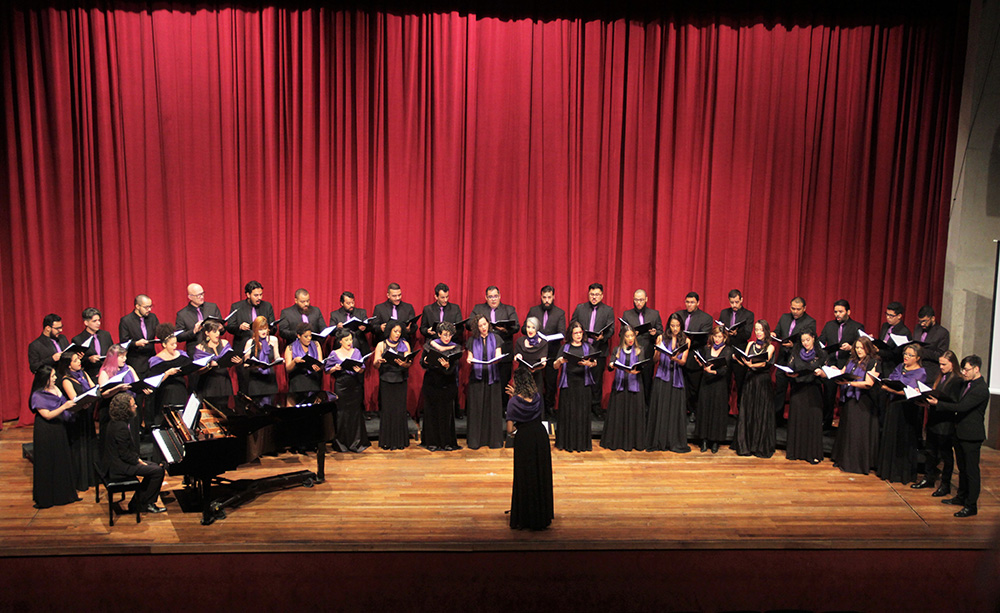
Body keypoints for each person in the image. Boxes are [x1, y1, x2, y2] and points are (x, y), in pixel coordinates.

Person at [926, 355, 988, 518]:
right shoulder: (967, 384)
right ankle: (961, 497)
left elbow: (962, 407)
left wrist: (938, 404)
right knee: (962, 469)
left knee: (971, 471)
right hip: (959, 432)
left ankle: (971, 505)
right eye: (963, 369)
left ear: (976, 369)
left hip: (971, 435)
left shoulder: (981, 389)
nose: (964, 373)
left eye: (966, 370)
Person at [505, 367, 553, 531]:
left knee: (525, 475)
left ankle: (525, 516)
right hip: (540, 436)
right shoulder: (538, 397)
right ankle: (541, 515)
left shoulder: (513, 402)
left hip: (524, 439)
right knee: (540, 473)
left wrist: (518, 427)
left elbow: (510, 430)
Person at [104, 392, 165, 514]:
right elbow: (125, 454)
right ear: (125, 409)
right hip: (119, 466)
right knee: (158, 471)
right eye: (133, 405)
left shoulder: (116, 422)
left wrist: (138, 460)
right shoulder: (120, 427)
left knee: (155, 468)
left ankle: (137, 503)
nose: (136, 406)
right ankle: (145, 504)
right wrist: (138, 461)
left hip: (119, 461)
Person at [912, 350, 963, 495]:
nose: (941, 367)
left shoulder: (957, 380)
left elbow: (955, 403)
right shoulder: (940, 377)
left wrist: (937, 403)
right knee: (930, 451)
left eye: (944, 364)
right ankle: (929, 478)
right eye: (940, 364)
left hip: (945, 422)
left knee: (945, 455)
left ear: (952, 364)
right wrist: (925, 400)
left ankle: (945, 484)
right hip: (934, 419)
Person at [29, 365, 80, 508]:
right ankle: (47, 498)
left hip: (59, 428)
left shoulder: (55, 388)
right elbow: (47, 415)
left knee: (61, 459)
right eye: (52, 376)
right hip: (46, 430)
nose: (55, 378)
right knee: (47, 461)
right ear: (44, 378)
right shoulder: (38, 395)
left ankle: (64, 495)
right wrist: (64, 407)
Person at [876, 343, 927, 484]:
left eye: (910, 355)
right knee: (891, 436)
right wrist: (889, 385)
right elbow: (892, 378)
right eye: (905, 354)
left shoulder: (921, 372)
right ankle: (887, 470)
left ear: (918, 358)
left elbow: (909, 390)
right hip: (893, 406)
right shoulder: (900, 366)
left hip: (907, 409)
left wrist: (891, 389)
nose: (906, 357)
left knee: (903, 439)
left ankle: (900, 473)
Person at [829, 337, 881, 475]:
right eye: (857, 347)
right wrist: (834, 371)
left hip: (863, 401)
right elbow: (843, 373)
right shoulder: (852, 360)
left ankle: (856, 463)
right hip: (849, 399)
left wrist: (848, 383)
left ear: (868, 348)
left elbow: (869, 383)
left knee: (857, 431)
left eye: (862, 348)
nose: (859, 350)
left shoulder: (873, 362)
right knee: (847, 429)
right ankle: (843, 459)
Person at [645, 314, 690, 452]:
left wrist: (674, 358)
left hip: (676, 376)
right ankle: (658, 440)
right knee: (661, 408)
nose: (675, 328)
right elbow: (655, 360)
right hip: (662, 375)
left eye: (677, 326)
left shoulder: (686, 340)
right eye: (672, 325)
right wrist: (657, 351)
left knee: (674, 409)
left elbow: (683, 361)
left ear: (681, 326)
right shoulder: (661, 337)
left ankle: (672, 440)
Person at [732, 320, 776, 458]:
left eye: (761, 330)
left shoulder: (770, 347)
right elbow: (746, 362)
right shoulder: (750, 344)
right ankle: (746, 445)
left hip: (762, 381)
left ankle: (758, 445)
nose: (758, 332)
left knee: (760, 411)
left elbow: (764, 362)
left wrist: (751, 365)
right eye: (756, 330)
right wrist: (738, 359)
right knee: (748, 410)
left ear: (766, 331)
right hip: (750, 380)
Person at [817, 299, 865, 428]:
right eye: (835, 312)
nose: (837, 314)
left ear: (848, 312)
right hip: (832, 365)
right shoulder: (829, 325)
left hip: (848, 365)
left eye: (840, 312)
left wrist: (851, 348)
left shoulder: (856, 327)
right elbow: (821, 341)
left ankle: (846, 424)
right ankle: (826, 423)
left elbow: (863, 346)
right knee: (828, 395)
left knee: (846, 395)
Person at [571, 283, 615, 418]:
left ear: (602, 296)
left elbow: (611, 330)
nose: (594, 297)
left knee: (596, 380)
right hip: (581, 349)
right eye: (592, 294)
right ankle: (580, 406)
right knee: (580, 378)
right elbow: (572, 324)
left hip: (598, 350)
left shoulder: (608, 310)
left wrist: (603, 337)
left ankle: (595, 406)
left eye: (597, 295)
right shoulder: (580, 308)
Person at [552, 321, 597, 452]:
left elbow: (595, 362)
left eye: (580, 333)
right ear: (570, 334)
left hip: (583, 384)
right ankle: (567, 443)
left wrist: (589, 364)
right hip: (568, 384)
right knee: (568, 413)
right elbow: (555, 366)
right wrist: (560, 361)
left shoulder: (588, 347)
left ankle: (581, 444)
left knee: (582, 414)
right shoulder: (565, 347)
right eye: (575, 333)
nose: (578, 335)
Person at [521, 285, 567, 417]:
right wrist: (533, 332)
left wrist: (547, 338)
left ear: (553, 297)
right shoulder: (534, 310)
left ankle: (549, 407)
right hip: (535, 353)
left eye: (549, 297)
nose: (547, 300)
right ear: (541, 297)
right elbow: (523, 329)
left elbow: (562, 333)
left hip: (552, 352)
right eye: (544, 297)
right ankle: (535, 407)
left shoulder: (560, 313)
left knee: (551, 382)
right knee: (536, 381)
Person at [469, 286, 519, 404]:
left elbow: (516, 327)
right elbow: (469, 324)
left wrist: (505, 329)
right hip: (483, 354)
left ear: (500, 296)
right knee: (484, 384)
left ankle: (502, 408)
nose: (493, 299)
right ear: (486, 297)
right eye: (490, 297)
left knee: (503, 383)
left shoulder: (509, 309)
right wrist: (481, 326)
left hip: (503, 352)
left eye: (495, 296)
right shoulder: (478, 308)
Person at [784, 330, 827, 464]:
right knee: (798, 419)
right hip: (798, 390)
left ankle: (812, 453)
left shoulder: (821, 354)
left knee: (812, 421)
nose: (805, 343)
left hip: (813, 390)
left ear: (813, 338)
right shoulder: (796, 353)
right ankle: (795, 451)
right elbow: (789, 368)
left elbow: (827, 373)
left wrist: (821, 373)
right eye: (803, 341)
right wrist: (790, 374)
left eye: (808, 340)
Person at [600, 326, 646, 451]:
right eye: (627, 336)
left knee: (633, 413)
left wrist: (636, 370)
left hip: (634, 385)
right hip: (620, 385)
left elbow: (641, 366)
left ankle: (632, 442)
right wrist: (612, 364)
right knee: (619, 413)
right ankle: (617, 441)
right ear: (623, 337)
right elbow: (611, 366)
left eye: (632, 336)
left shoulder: (639, 350)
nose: (630, 339)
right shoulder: (617, 349)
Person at [772, 297, 817, 424]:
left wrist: (794, 345)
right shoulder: (784, 317)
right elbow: (778, 331)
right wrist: (774, 334)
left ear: (804, 308)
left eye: (798, 309)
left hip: (798, 360)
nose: (795, 312)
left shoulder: (810, 321)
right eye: (793, 308)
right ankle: (777, 419)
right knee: (780, 388)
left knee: (796, 390)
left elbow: (810, 342)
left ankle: (794, 420)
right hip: (783, 358)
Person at [57, 353, 98, 491]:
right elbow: (74, 398)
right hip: (77, 417)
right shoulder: (66, 380)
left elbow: (94, 388)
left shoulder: (84, 374)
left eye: (79, 359)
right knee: (79, 447)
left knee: (90, 443)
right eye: (75, 360)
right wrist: (84, 402)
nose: (79, 361)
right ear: (69, 365)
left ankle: (91, 477)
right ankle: (81, 480)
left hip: (87, 415)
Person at [419, 322, 462, 451]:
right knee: (431, 412)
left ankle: (446, 443)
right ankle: (432, 442)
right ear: (439, 334)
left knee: (446, 414)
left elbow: (453, 368)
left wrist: (447, 367)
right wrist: (426, 362)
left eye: (450, 335)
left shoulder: (455, 348)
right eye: (445, 335)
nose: (447, 338)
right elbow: (422, 363)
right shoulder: (430, 345)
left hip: (447, 384)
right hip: (432, 383)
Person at [226, 281, 275, 393]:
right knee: (245, 386)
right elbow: (230, 327)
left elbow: (274, 328)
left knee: (264, 386)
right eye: (256, 295)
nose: (259, 298)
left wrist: (267, 328)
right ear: (248, 295)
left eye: (261, 295)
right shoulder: (237, 307)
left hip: (263, 351)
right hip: (244, 350)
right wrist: (240, 327)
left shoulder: (267, 306)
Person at [325, 328, 369, 452]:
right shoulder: (334, 353)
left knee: (355, 413)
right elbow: (327, 370)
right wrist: (334, 368)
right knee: (342, 413)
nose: (350, 342)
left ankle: (356, 442)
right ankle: (342, 443)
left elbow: (362, 368)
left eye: (351, 339)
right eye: (347, 340)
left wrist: (359, 370)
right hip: (341, 386)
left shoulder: (356, 352)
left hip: (354, 385)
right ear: (340, 341)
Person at [672, 292, 713, 423]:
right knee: (680, 384)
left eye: (692, 302)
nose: (689, 305)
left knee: (694, 385)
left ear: (698, 303)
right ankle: (681, 409)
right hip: (679, 353)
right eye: (687, 302)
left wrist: (689, 339)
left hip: (694, 355)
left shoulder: (706, 318)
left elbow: (704, 337)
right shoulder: (679, 315)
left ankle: (694, 410)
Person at [465, 314, 505, 449]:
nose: (483, 328)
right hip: (477, 379)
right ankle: (475, 441)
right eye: (480, 326)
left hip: (492, 378)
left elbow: (498, 354)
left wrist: (497, 358)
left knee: (492, 408)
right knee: (476, 409)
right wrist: (469, 360)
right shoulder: (472, 340)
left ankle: (494, 441)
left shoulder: (496, 338)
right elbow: (469, 356)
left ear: (488, 324)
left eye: (485, 324)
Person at [372, 320, 414, 450]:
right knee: (388, 410)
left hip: (400, 379)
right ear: (389, 331)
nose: (397, 334)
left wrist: (404, 364)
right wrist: (379, 361)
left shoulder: (405, 344)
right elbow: (375, 365)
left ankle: (400, 441)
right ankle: (387, 441)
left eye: (399, 332)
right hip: (386, 380)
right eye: (395, 331)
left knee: (399, 410)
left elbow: (409, 362)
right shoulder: (381, 345)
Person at [694, 325, 732, 454]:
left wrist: (713, 371)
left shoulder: (727, 350)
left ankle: (715, 441)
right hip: (706, 383)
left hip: (719, 384)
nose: (717, 339)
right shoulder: (706, 348)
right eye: (715, 336)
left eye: (720, 337)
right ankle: (704, 440)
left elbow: (725, 370)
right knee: (705, 409)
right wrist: (701, 363)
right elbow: (704, 363)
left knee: (717, 412)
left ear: (724, 338)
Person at [620, 289, 662, 405]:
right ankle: (633, 407)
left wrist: (655, 333)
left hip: (648, 352)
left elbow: (661, 331)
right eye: (636, 300)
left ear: (646, 299)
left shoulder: (654, 314)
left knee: (647, 381)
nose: (639, 302)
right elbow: (621, 334)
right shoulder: (627, 314)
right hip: (632, 352)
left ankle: (647, 407)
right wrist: (631, 334)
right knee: (632, 381)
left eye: (641, 300)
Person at [146, 324, 189, 429]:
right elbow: (154, 381)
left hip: (181, 389)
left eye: (176, 343)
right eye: (172, 344)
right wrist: (168, 373)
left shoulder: (182, 355)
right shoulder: (156, 361)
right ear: (164, 345)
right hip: (166, 393)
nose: (175, 346)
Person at [718, 290, 755, 405]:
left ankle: (740, 408)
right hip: (726, 350)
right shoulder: (724, 313)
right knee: (724, 381)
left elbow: (747, 334)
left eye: (737, 302)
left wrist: (736, 333)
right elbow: (719, 331)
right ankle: (724, 407)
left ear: (741, 300)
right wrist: (723, 331)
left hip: (740, 350)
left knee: (740, 381)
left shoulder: (748, 314)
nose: (734, 305)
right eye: (732, 302)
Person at [191, 320, 240, 406]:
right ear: (207, 333)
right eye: (214, 331)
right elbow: (197, 371)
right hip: (209, 384)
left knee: (225, 408)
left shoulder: (224, 343)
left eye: (218, 331)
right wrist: (209, 366)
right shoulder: (200, 348)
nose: (218, 334)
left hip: (224, 382)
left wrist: (239, 362)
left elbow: (231, 360)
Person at [118, 294, 159, 378]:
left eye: (150, 306)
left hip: (152, 360)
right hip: (136, 362)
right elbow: (123, 343)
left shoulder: (152, 317)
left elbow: (159, 331)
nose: (149, 309)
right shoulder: (126, 321)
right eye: (146, 307)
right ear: (137, 306)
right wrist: (136, 343)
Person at [71, 307, 115, 382]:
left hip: (109, 373)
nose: (98, 323)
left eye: (99, 320)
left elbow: (112, 352)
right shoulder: (78, 340)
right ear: (86, 323)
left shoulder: (105, 335)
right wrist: (89, 359)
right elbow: (77, 361)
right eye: (94, 321)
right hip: (92, 376)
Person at [284, 322, 324, 404]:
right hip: (298, 383)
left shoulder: (316, 344)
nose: (309, 338)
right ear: (299, 336)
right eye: (306, 336)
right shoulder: (290, 348)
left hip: (314, 381)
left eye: (310, 336)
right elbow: (288, 369)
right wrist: (294, 361)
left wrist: (319, 368)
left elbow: (321, 363)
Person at [175, 283, 222, 352]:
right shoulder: (182, 314)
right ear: (190, 297)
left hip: (214, 347)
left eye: (202, 293)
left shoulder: (212, 307)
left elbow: (222, 329)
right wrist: (193, 331)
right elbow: (179, 337)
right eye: (198, 295)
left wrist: (221, 328)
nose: (202, 297)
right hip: (195, 350)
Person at [243, 316, 280, 398]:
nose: (263, 332)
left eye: (265, 329)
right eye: (260, 329)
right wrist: (254, 366)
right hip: (256, 379)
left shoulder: (273, 340)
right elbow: (246, 364)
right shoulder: (250, 342)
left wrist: (280, 360)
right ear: (255, 330)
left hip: (270, 378)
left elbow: (277, 356)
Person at [913, 305, 950, 386]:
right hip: (914, 369)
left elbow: (940, 355)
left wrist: (921, 351)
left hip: (930, 372)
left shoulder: (942, 333)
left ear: (933, 318)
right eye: (920, 321)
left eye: (925, 321)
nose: (922, 324)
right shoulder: (918, 328)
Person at [328, 291, 372, 357]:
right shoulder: (335, 314)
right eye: (348, 303)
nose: (351, 305)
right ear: (342, 303)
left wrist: (364, 328)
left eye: (352, 302)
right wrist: (337, 327)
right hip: (342, 347)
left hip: (360, 345)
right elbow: (331, 332)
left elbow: (370, 327)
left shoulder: (361, 312)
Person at [514, 316, 549, 398]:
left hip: (536, 377)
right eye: (528, 327)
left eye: (533, 328)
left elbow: (543, 362)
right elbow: (515, 358)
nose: (530, 330)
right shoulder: (520, 341)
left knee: (536, 398)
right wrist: (517, 356)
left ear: (537, 329)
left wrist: (537, 368)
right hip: (522, 376)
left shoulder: (543, 343)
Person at [876, 301, 911, 375]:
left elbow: (897, 354)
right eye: (887, 314)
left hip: (892, 367)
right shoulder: (885, 326)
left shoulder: (904, 332)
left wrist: (878, 351)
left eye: (891, 316)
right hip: (880, 363)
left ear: (899, 316)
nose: (888, 317)